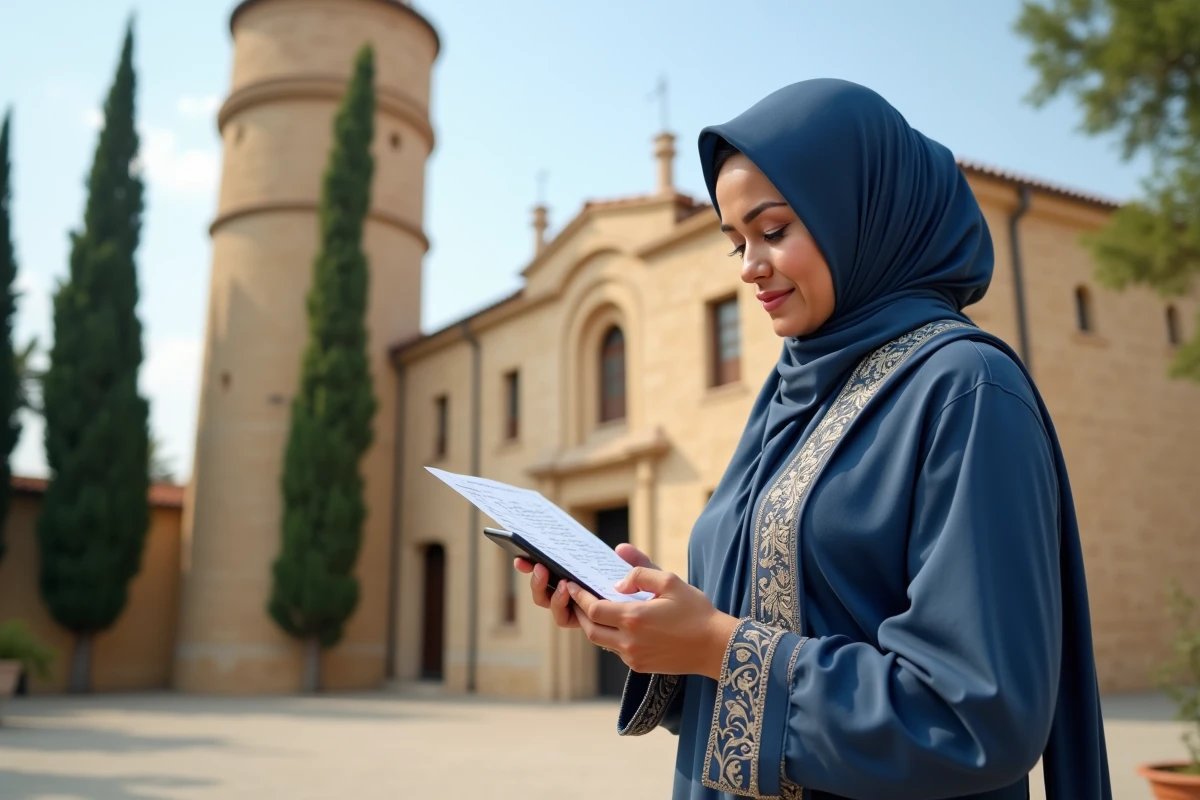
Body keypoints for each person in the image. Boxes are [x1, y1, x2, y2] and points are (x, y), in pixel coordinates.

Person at [514, 78, 1112, 799]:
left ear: (861, 211)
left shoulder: (963, 388)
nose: (748, 268)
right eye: (735, 242)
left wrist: (716, 645)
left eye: (773, 231)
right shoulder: (789, 393)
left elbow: (975, 714)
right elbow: (759, 637)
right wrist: (650, 626)